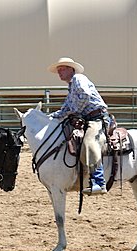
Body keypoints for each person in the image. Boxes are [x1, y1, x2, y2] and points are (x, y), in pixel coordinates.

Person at [47, 57, 111, 195]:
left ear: (71, 69)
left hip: (97, 118)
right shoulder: (71, 87)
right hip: (88, 119)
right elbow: (65, 109)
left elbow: (85, 96)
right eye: (59, 71)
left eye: (62, 69)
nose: (60, 73)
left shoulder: (78, 79)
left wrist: (75, 111)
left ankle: (99, 182)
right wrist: (48, 118)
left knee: (89, 142)